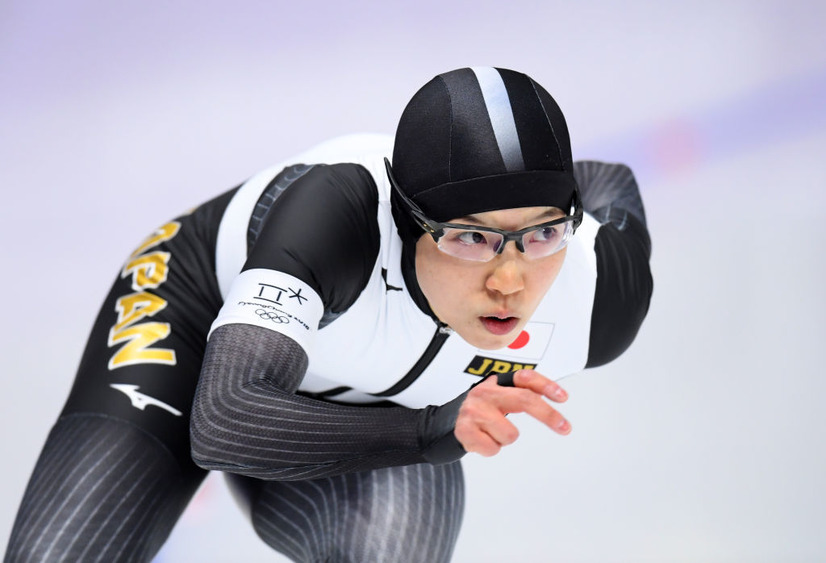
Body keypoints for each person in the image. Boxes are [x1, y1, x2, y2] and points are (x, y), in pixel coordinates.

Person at [4, 66, 653, 562]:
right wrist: (432, 428)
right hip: (195, 316)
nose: (510, 279)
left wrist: (537, 221)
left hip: (346, 394)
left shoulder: (596, 292)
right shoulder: (337, 219)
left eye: (540, 233)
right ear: (404, 223)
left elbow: (609, 180)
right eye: (469, 236)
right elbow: (225, 419)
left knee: (394, 539)